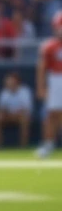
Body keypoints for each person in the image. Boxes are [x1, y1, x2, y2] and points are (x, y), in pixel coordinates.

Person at [36, 11, 62, 159]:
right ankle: (49, 144)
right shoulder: (49, 47)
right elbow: (42, 68)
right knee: (51, 115)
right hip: (55, 80)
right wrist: (41, 87)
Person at [0, 72, 34, 149]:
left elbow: (26, 109)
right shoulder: (4, 92)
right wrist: (5, 113)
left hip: (20, 116)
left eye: (10, 81)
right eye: (7, 81)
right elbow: (1, 109)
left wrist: (14, 114)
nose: (8, 83)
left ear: (16, 82)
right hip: (8, 116)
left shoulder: (25, 91)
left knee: (24, 119)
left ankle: (23, 146)